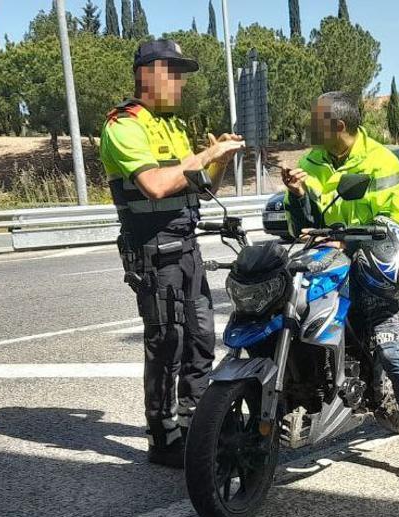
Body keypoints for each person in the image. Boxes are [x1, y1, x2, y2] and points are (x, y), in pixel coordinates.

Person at [280, 91, 399, 492]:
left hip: (373, 262)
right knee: (291, 314)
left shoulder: (380, 161)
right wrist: (298, 196)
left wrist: (358, 239)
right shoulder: (313, 162)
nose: (308, 128)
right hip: (328, 261)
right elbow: (302, 222)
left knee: (388, 347)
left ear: (339, 126)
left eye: (315, 122)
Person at [100, 39, 245, 467]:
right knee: (168, 344)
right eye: (174, 72)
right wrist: (206, 154)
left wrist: (217, 161)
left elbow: (202, 188)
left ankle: (197, 428)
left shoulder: (174, 126)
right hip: (153, 254)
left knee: (201, 340)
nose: (180, 82)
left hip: (186, 248)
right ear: (148, 74)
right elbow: (156, 186)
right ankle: (164, 439)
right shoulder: (123, 126)